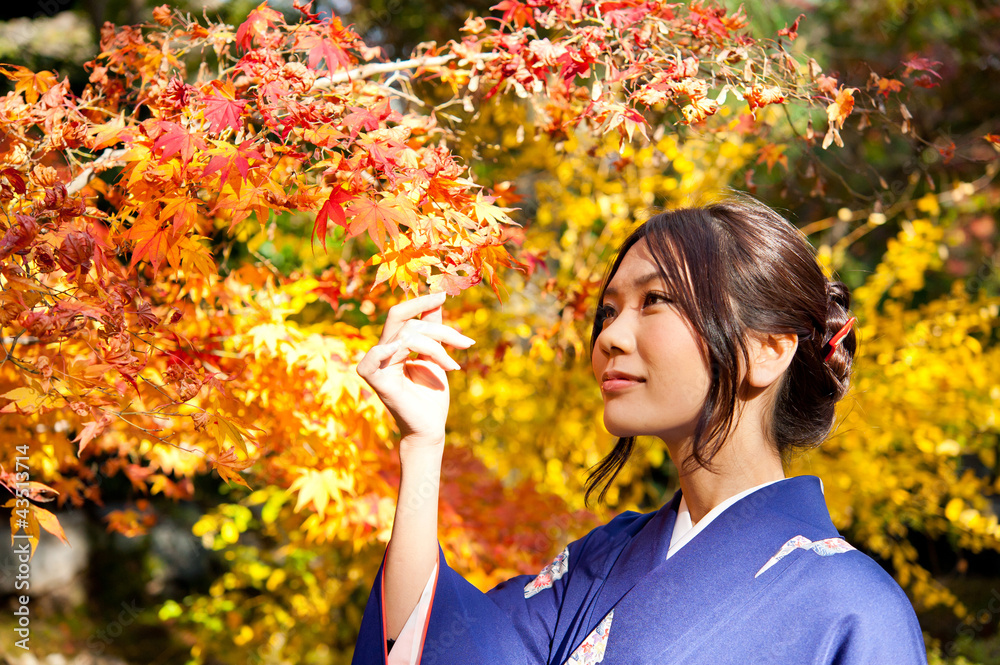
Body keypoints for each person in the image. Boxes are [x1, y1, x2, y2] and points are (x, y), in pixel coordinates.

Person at [351, 196, 928, 665]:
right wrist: (422, 445)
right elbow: (435, 649)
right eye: (608, 311)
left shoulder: (853, 609)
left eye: (654, 301)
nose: (610, 337)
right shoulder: (599, 562)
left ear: (766, 350)